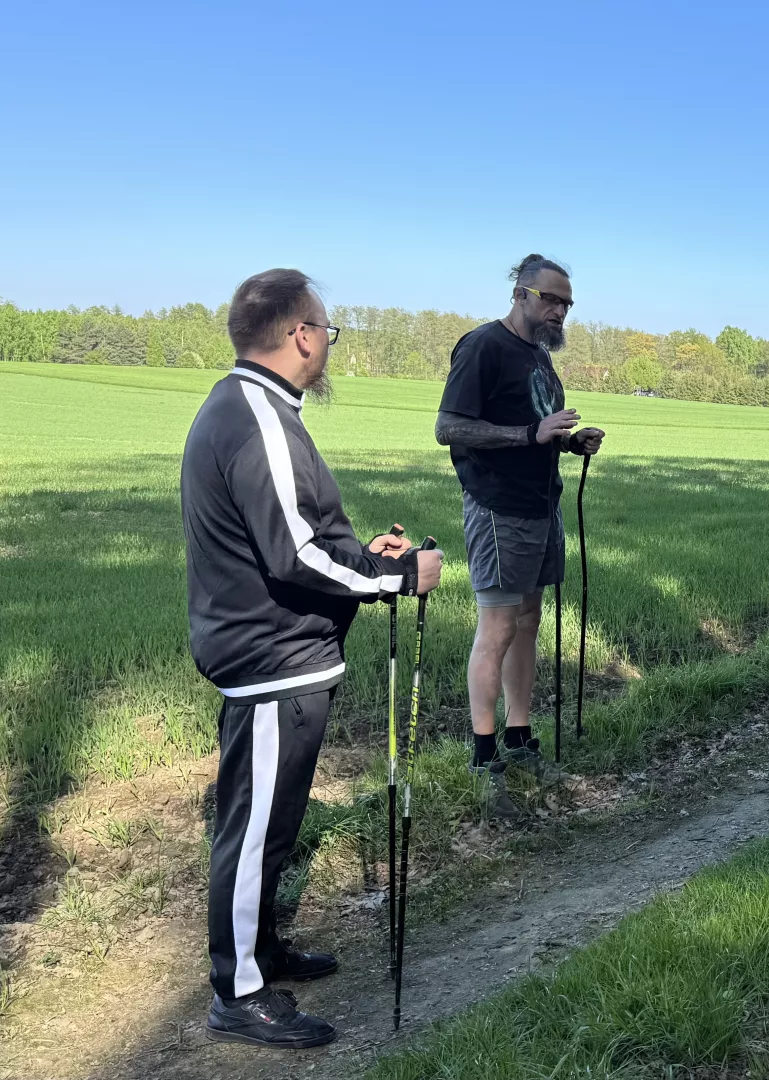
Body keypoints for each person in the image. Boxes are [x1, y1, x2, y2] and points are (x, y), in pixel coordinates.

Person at [182, 269, 443, 1047]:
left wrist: (361, 555)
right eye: (327, 331)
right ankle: (238, 991)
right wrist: (394, 576)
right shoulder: (254, 413)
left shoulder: (259, 407)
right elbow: (292, 553)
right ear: (300, 335)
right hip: (270, 660)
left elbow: (298, 538)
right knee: (255, 827)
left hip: (286, 655)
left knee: (276, 820)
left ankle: (261, 952)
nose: (328, 344)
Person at [435, 255, 605, 814]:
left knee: (528, 622)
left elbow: (538, 431)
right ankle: (483, 756)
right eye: (552, 300)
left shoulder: (537, 357)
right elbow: (449, 427)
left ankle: (518, 734)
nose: (559, 312)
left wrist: (565, 441)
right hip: (497, 506)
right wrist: (531, 433)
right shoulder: (483, 346)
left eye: (567, 305)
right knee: (499, 626)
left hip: (540, 505)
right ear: (522, 293)